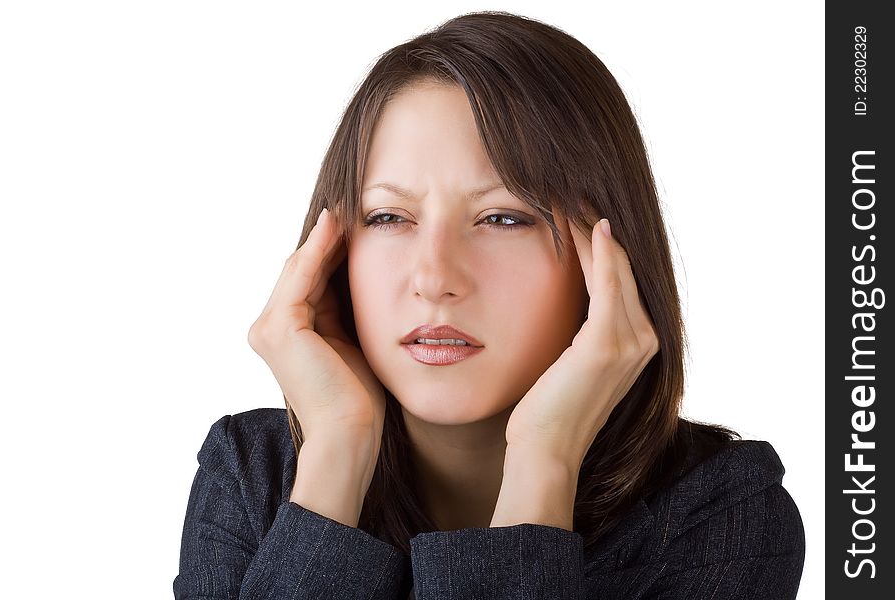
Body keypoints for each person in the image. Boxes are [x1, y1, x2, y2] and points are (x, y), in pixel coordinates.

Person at [174, 11, 805, 599]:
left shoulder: (719, 509)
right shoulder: (251, 472)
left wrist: (545, 457)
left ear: (611, 257)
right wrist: (335, 454)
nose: (434, 277)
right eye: (389, 216)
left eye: (502, 218)